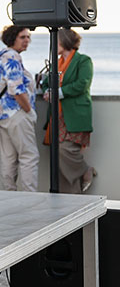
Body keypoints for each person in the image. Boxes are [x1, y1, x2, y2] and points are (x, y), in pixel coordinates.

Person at [40, 28, 95, 193]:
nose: (54, 45)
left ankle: (86, 170)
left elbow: (83, 84)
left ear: (65, 42)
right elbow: (46, 83)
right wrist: (47, 91)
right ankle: (70, 199)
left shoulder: (83, 61)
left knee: (64, 150)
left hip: (75, 115)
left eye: (56, 41)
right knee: (57, 159)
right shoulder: (56, 63)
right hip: (57, 115)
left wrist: (58, 92)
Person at [0, 26, 38, 192]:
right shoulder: (12, 56)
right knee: (29, 156)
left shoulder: (0, 55)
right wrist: (29, 111)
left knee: (9, 158)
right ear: (13, 38)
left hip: (3, 114)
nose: (27, 40)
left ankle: (9, 196)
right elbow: (16, 89)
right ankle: (30, 197)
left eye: (28, 37)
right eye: (22, 37)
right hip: (17, 113)